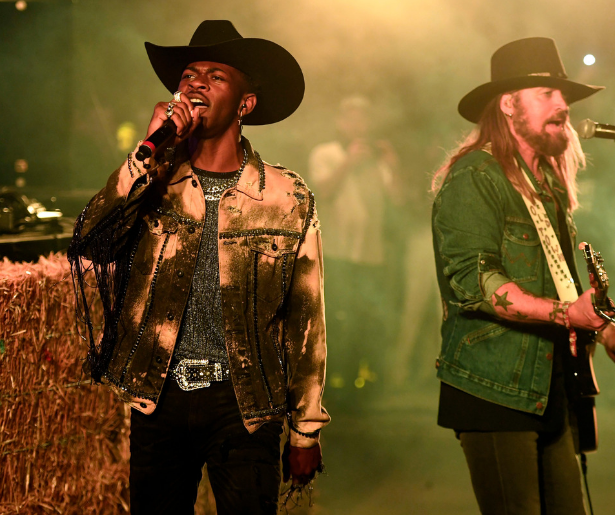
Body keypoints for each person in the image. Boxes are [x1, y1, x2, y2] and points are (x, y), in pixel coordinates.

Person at [68, 20, 328, 514]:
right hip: (158, 397)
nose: (195, 83)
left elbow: (306, 319)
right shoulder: (152, 180)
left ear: (245, 104)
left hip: (245, 403)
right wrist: (147, 152)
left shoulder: (286, 196)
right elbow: (91, 243)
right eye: (188, 74)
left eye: (215, 75)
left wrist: (305, 428)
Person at [430, 37, 615, 514]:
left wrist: (607, 331)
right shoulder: (475, 177)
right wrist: (571, 313)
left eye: (562, 95)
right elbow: (476, 282)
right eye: (547, 93)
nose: (563, 106)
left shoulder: (545, 186)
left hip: (550, 386)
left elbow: (558, 279)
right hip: (494, 387)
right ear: (508, 104)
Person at [308, 96, 399, 401]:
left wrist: (392, 165)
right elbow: (322, 193)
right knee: (336, 319)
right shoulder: (326, 153)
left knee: (368, 320)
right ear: (340, 122)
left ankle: (362, 388)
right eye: (352, 118)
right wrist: (349, 161)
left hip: (372, 256)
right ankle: (333, 384)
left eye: (363, 118)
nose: (358, 124)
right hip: (337, 253)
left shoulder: (377, 159)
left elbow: (399, 201)